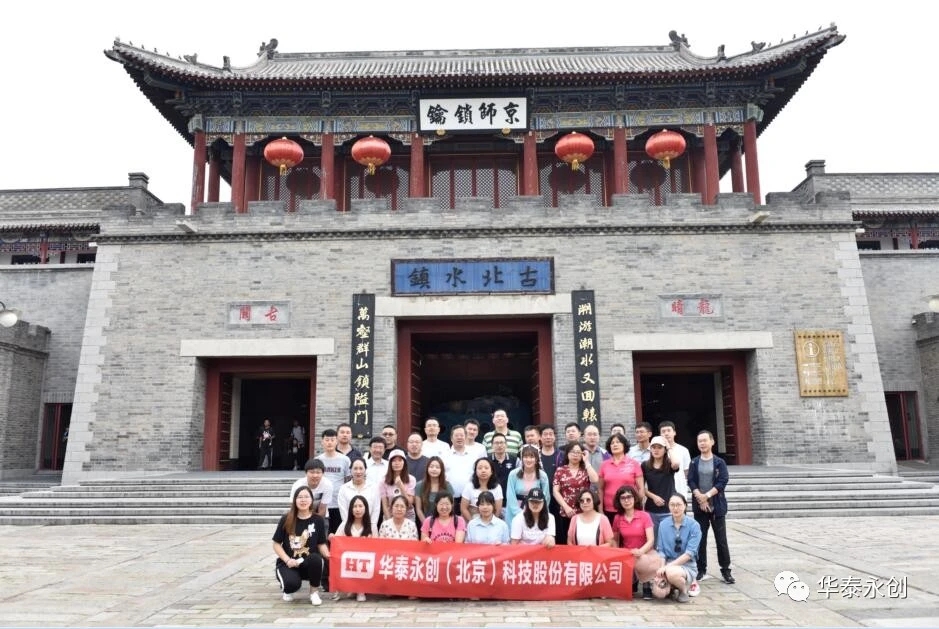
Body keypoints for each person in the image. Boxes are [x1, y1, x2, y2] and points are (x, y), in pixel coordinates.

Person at [688, 430, 734, 585]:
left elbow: (722, 481)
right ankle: (701, 569)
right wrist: (700, 498)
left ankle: (726, 570)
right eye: (699, 441)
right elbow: (691, 481)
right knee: (700, 539)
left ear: (712, 442)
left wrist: (706, 496)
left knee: (721, 540)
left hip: (717, 506)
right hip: (700, 507)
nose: (702, 443)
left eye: (705, 440)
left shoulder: (719, 462)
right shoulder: (694, 462)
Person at [272, 486, 330, 606]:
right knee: (291, 585)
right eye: (300, 497)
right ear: (295, 500)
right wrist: (287, 560)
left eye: (306, 497)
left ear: (311, 500)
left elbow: (321, 544)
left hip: (308, 562)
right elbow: (276, 544)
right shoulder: (286, 519)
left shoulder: (318, 520)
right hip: (289, 562)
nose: (303, 500)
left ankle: (314, 592)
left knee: (316, 559)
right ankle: (287, 588)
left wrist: (329, 555)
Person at [612, 485, 663, 600]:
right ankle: (632, 581)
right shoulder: (617, 518)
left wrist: (641, 551)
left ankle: (646, 584)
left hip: (645, 553)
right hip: (627, 553)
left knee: (641, 559)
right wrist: (618, 553)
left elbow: (651, 540)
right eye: (623, 498)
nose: (626, 500)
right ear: (619, 501)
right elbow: (615, 540)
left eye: (629, 497)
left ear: (634, 498)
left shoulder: (644, 516)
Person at [653, 493, 702, 603]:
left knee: (671, 573)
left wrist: (667, 568)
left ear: (685, 506)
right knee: (659, 593)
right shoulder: (663, 524)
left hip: (687, 565)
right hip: (668, 563)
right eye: (672, 505)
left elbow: (689, 554)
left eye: (679, 505)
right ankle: (671, 587)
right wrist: (662, 569)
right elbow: (661, 550)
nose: (675, 508)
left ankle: (683, 590)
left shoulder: (694, 525)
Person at [552, 441, 598, 545]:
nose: (575, 455)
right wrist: (566, 507)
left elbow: (595, 479)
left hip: (584, 511)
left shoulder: (585, 470)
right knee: (568, 541)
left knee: (583, 540)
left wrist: (586, 462)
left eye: (578, 452)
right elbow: (555, 491)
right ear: (567, 454)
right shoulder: (560, 470)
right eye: (572, 452)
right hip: (567, 513)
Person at [331, 495, 373, 602]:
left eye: (360, 506)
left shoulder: (372, 526)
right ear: (351, 509)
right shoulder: (344, 525)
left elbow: (376, 547)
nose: (358, 509)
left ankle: (360, 589)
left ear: (366, 508)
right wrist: (331, 537)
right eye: (355, 506)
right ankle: (340, 588)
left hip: (364, 561)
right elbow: (336, 542)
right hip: (347, 560)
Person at [597, 433, 644, 523]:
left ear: (624, 445)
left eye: (618, 442)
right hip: (609, 509)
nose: (615, 444)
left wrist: (636, 506)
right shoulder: (604, 465)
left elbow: (641, 488)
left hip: (629, 508)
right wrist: (600, 510)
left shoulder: (634, 464)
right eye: (612, 443)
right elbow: (600, 489)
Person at [315, 429, 351, 535]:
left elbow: (348, 481)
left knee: (338, 534)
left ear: (337, 441)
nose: (329, 442)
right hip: (322, 504)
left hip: (339, 503)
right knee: (322, 533)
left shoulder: (345, 460)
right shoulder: (318, 460)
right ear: (322, 442)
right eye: (327, 440)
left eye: (332, 440)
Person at [505, 445, 551, 526]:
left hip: (536, 511)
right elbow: (510, 495)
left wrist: (535, 512)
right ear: (522, 458)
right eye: (525, 457)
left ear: (537, 459)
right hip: (515, 512)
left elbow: (546, 496)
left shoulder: (542, 476)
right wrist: (519, 513)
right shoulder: (513, 474)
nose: (528, 460)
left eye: (532, 457)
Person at [642, 436, 676, 545]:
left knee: (669, 541)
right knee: (653, 541)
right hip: (651, 509)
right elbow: (641, 487)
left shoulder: (669, 464)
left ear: (664, 450)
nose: (656, 450)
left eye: (659, 447)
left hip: (669, 509)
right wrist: (653, 497)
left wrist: (669, 447)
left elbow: (676, 464)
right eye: (654, 447)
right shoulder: (645, 465)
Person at [337, 458, 381, 530]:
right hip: (349, 528)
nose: (358, 471)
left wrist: (371, 527)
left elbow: (376, 510)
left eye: (361, 468)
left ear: (365, 470)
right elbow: (344, 513)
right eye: (355, 468)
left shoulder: (374, 488)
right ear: (350, 470)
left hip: (369, 528)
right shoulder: (343, 489)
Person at [445, 424, 476, 513]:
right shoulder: (445, 455)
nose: (459, 438)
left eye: (462, 435)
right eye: (456, 435)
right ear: (451, 438)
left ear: (465, 437)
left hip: (469, 499)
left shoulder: (473, 456)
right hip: (450, 498)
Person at [415, 456, 453, 523]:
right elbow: (418, 509)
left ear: (441, 470)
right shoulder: (419, 485)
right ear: (427, 468)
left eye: (437, 467)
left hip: (444, 522)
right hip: (426, 522)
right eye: (431, 466)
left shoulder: (447, 486)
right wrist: (427, 524)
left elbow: (451, 507)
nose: (434, 469)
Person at [380, 449, 416, 521]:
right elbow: (385, 505)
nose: (397, 463)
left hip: (408, 517)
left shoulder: (411, 479)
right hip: (390, 516)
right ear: (390, 463)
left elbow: (409, 503)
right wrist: (390, 522)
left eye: (400, 460)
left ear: (404, 463)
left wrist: (401, 486)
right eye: (394, 461)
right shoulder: (383, 480)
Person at [659, 421, 691, 500]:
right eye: (663, 431)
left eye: (669, 430)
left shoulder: (683, 450)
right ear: (660, 435)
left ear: (674, 432)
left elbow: (687, 472)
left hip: (680, 490)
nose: (666, 433)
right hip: (661, 492)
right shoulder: (655, 451)